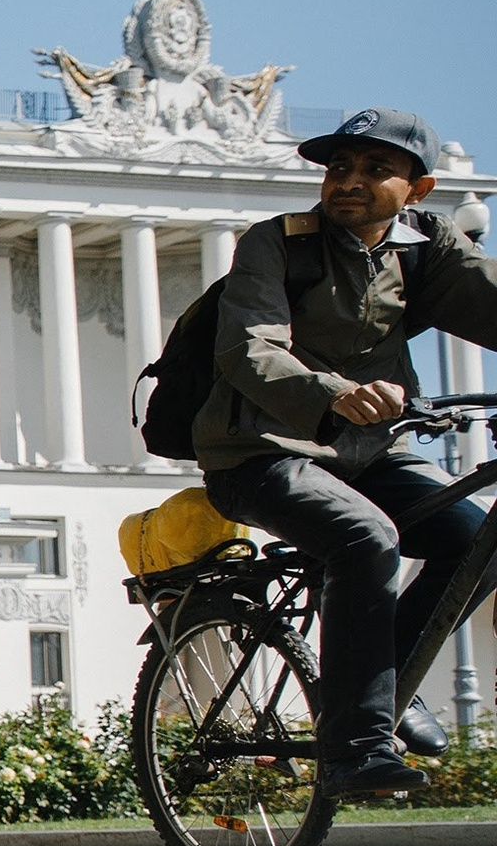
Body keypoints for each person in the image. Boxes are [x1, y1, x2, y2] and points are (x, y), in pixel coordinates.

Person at [197, 109, 493, 800]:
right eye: (339, 169)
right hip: (260, 454)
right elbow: (249, 346)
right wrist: (332, 391)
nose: (349, 184)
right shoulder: (279, 244)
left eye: (373, 170)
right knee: (366, 536)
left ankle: (382, 687)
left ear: (418, 190)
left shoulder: (426, 248)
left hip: (364, 455)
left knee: (475, 537)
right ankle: (353, 748)